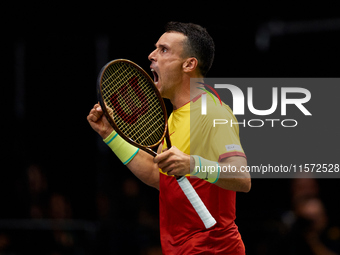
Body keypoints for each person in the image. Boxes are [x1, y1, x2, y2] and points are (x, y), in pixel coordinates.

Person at [87, 21, 251, 254]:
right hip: (179, 248)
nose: (151, 55)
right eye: (156, 48)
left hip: (213, 249)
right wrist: (110, 134)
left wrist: (191, 163)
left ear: (189, 64)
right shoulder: (174, 117)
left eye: (163, 50)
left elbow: (242, 177)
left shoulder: (212, 112)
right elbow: (160, 178)